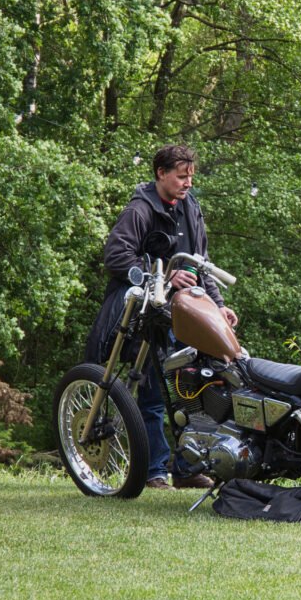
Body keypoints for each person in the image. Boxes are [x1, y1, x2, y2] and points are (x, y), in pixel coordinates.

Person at [85, 144, 237, 491]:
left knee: (194, 389)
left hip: (190, 313)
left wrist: (218, 305)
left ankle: (186, 469)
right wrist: (164, 278)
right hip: (150, 316)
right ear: (161, 173)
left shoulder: (191, 207)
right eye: (182, 176)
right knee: (154, 394)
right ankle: (154, 471)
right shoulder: (139, 209)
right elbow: (116, 256)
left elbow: (202, 265)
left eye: (191, 177)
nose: (187, 183)